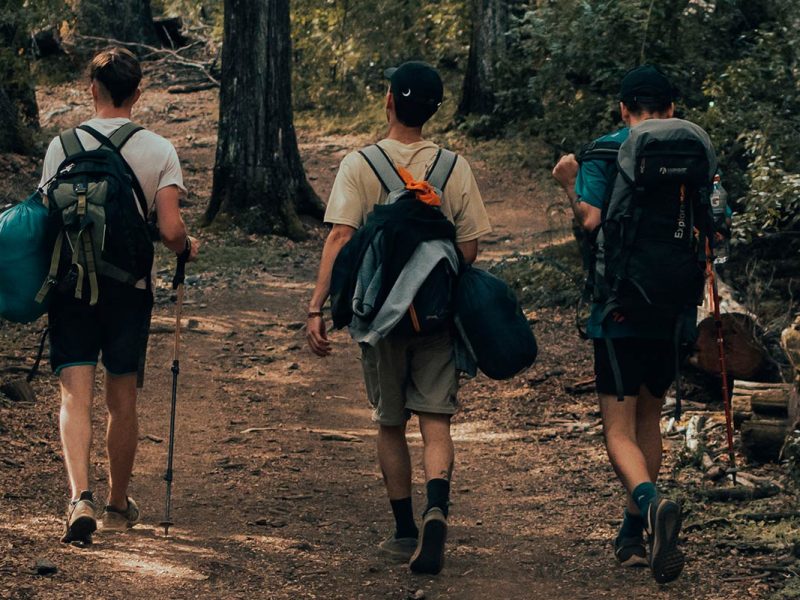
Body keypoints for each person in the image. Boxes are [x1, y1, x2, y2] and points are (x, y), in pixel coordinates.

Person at [306, 61, 491, 574]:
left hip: (379, 319)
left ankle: (404, 529)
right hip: (437, 317)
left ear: (388, 100)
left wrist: (317, 306)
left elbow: (340, 237)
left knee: (390, 422)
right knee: (436, 421)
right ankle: (437, 507)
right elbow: (470, 248)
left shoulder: (360, 165)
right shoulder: (454, 168)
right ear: (433, 110)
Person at [38, 47, 200, 544]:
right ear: (138, 92)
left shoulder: (61, 146)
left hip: (70, 287)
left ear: (93, 89)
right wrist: (187, 246)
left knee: (75, 395)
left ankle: (78, 497)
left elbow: (46, 218)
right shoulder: (158, 150)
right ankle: (115, 505)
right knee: (121, 399)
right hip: (129, 289)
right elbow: (171, 230)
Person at [552, 65, 700, 583]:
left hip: (618, 308)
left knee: (618, 429)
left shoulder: (604, 149)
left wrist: (570, 184)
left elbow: (589, 220)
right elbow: (715, 224)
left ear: (623, 108)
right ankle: (632, 535)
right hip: (674, 306)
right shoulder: (694, 148)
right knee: (649, 421)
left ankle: (651, 504)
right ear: (671, 108)